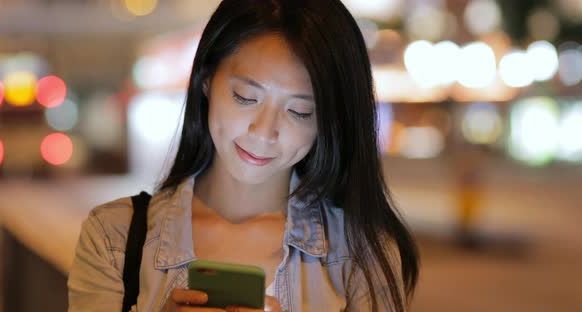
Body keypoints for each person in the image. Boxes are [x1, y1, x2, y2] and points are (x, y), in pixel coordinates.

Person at [67, 0, 420, 311]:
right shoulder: (114, 238)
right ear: (206, 79)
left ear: (328, 122)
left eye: (299, 112)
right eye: (245, 97)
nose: (264, 132)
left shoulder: (359, 254)